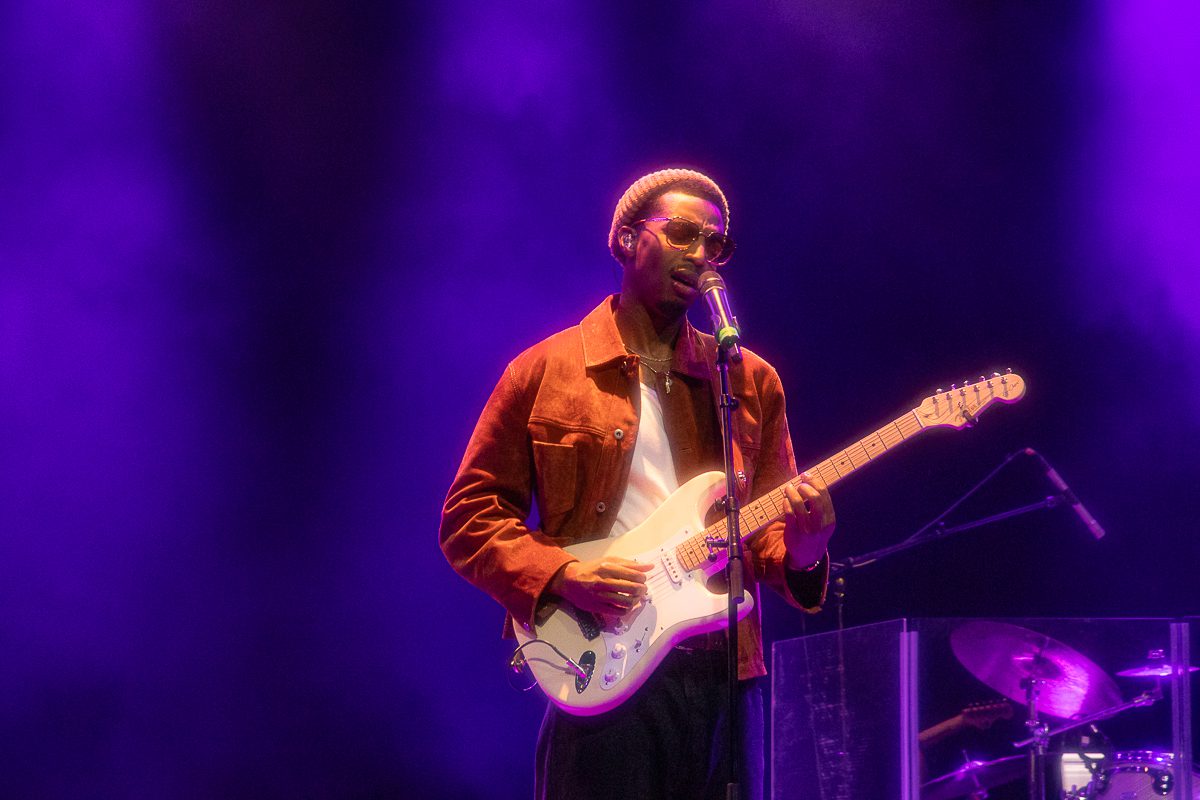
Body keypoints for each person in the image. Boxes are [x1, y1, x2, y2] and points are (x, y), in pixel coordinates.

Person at [440, 168, 836, 799]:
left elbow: (765, 538)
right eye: (682, 233)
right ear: (626, 240)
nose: (702, 255)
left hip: (726, 677)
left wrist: (808, 549)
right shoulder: (546, 370)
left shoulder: (749, 382)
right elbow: (470, 518)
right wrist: (564, 575)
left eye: (716, 244)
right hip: (602, 667)